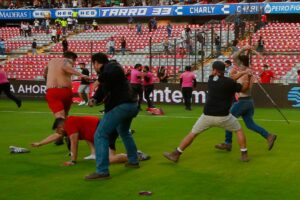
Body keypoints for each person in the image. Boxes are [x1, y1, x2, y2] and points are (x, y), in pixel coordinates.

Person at [163, 61, 252, 163]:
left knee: (192, 134)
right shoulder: (230, 83)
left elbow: (227, 79)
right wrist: (246, 76)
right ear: (224, 70)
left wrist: (242, 73)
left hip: (207, 116)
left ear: (214, 70)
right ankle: (244, 154)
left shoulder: (210, 80)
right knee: (239, 130)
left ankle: (176, 154)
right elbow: (244, 89)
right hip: (224, 117)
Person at [85, 53, 139, 180]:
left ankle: (102, 171)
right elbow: (102, 90)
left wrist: (99, 79)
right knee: (124, 132)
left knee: (100, 134)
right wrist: (94, 99)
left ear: (97, 63)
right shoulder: (108, 72)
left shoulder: (112, 66)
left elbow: (113, 73)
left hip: (121, 106)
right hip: (131, 105)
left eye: (94, 64)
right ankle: (133, 160)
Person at [215, 46, 277, 152]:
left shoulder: (245, 73)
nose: (235, 63)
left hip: (243, 101)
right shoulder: (248, 71)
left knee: (228, 119)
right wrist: (244, 49)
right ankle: (269, 136)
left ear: (241, 63)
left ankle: (227, 143)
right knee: (250, 124)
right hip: (249, 102)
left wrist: (233, 82)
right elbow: (235, 56)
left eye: (237, 62)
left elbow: (244, 89)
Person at [31, 116, 150, 165]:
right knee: (87, 135)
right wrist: (40, 143)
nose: (58, 133)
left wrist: (73, 160)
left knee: (110, 159)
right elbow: (56, 136)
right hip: (102, 128)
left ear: (61, 127)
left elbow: (74, 142)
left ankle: (135, 156)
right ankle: (94, 154)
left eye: (58, 130)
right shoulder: (71, 122)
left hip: (105, 130)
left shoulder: (70, 124)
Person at [44, 51, 88, 119]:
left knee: (60, 117)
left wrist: (47, 77)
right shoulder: (67, 61)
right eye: (74, 61)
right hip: (65, 91)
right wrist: (81, 75)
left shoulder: (52, 61)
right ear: (72, 58)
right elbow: (65, 67)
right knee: (64, 116)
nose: (73, 64)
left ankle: (63, 128)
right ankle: (65, 128)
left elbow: (45, 71)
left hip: (53, 91)